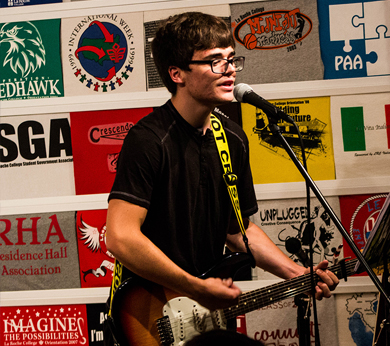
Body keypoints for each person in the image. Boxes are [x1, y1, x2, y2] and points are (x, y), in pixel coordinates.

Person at [105, 11, 338, 321]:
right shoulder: (149, 139)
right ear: (178, 74)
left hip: (203, 313)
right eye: (215, 61)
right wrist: (195, 287)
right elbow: (120, 236)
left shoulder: (233, 139)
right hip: (149, 313)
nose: (230, 71)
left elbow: (237, 230)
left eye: (232, 59)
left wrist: (294, 272)